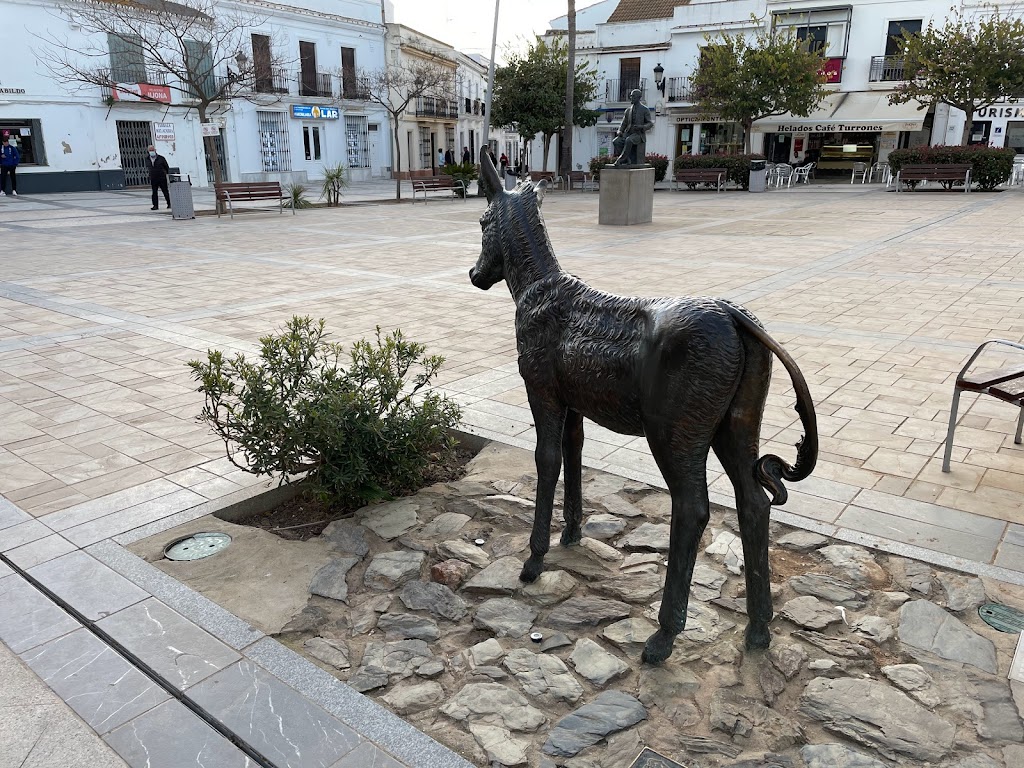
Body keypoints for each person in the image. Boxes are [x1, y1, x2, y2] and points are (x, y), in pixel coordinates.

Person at [612, 89, 653, 167]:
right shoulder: (628, 110)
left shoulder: (645, 109)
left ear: (639, 98)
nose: (631, 98)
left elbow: (650, 123)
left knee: (629, 140)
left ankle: (621, 159)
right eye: (631, 96)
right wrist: (619, 131)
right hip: (628, 133)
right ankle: (627, 159)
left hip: (639, 135)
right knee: (616, 141)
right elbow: (623, 123)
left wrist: (642, 127)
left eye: (633, 96)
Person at [145, 144, 170, 210]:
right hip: (153, 178)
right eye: (150, 150)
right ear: (148, 151)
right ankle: (155, 205)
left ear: (155, 150)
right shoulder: (147, 159)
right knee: (154, 192)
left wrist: (165, 174)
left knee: (165, 191)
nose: (151, 152)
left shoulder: (161, 158)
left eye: (152, 150)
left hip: (162, 177)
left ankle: (169, 203)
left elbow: (166, 167)